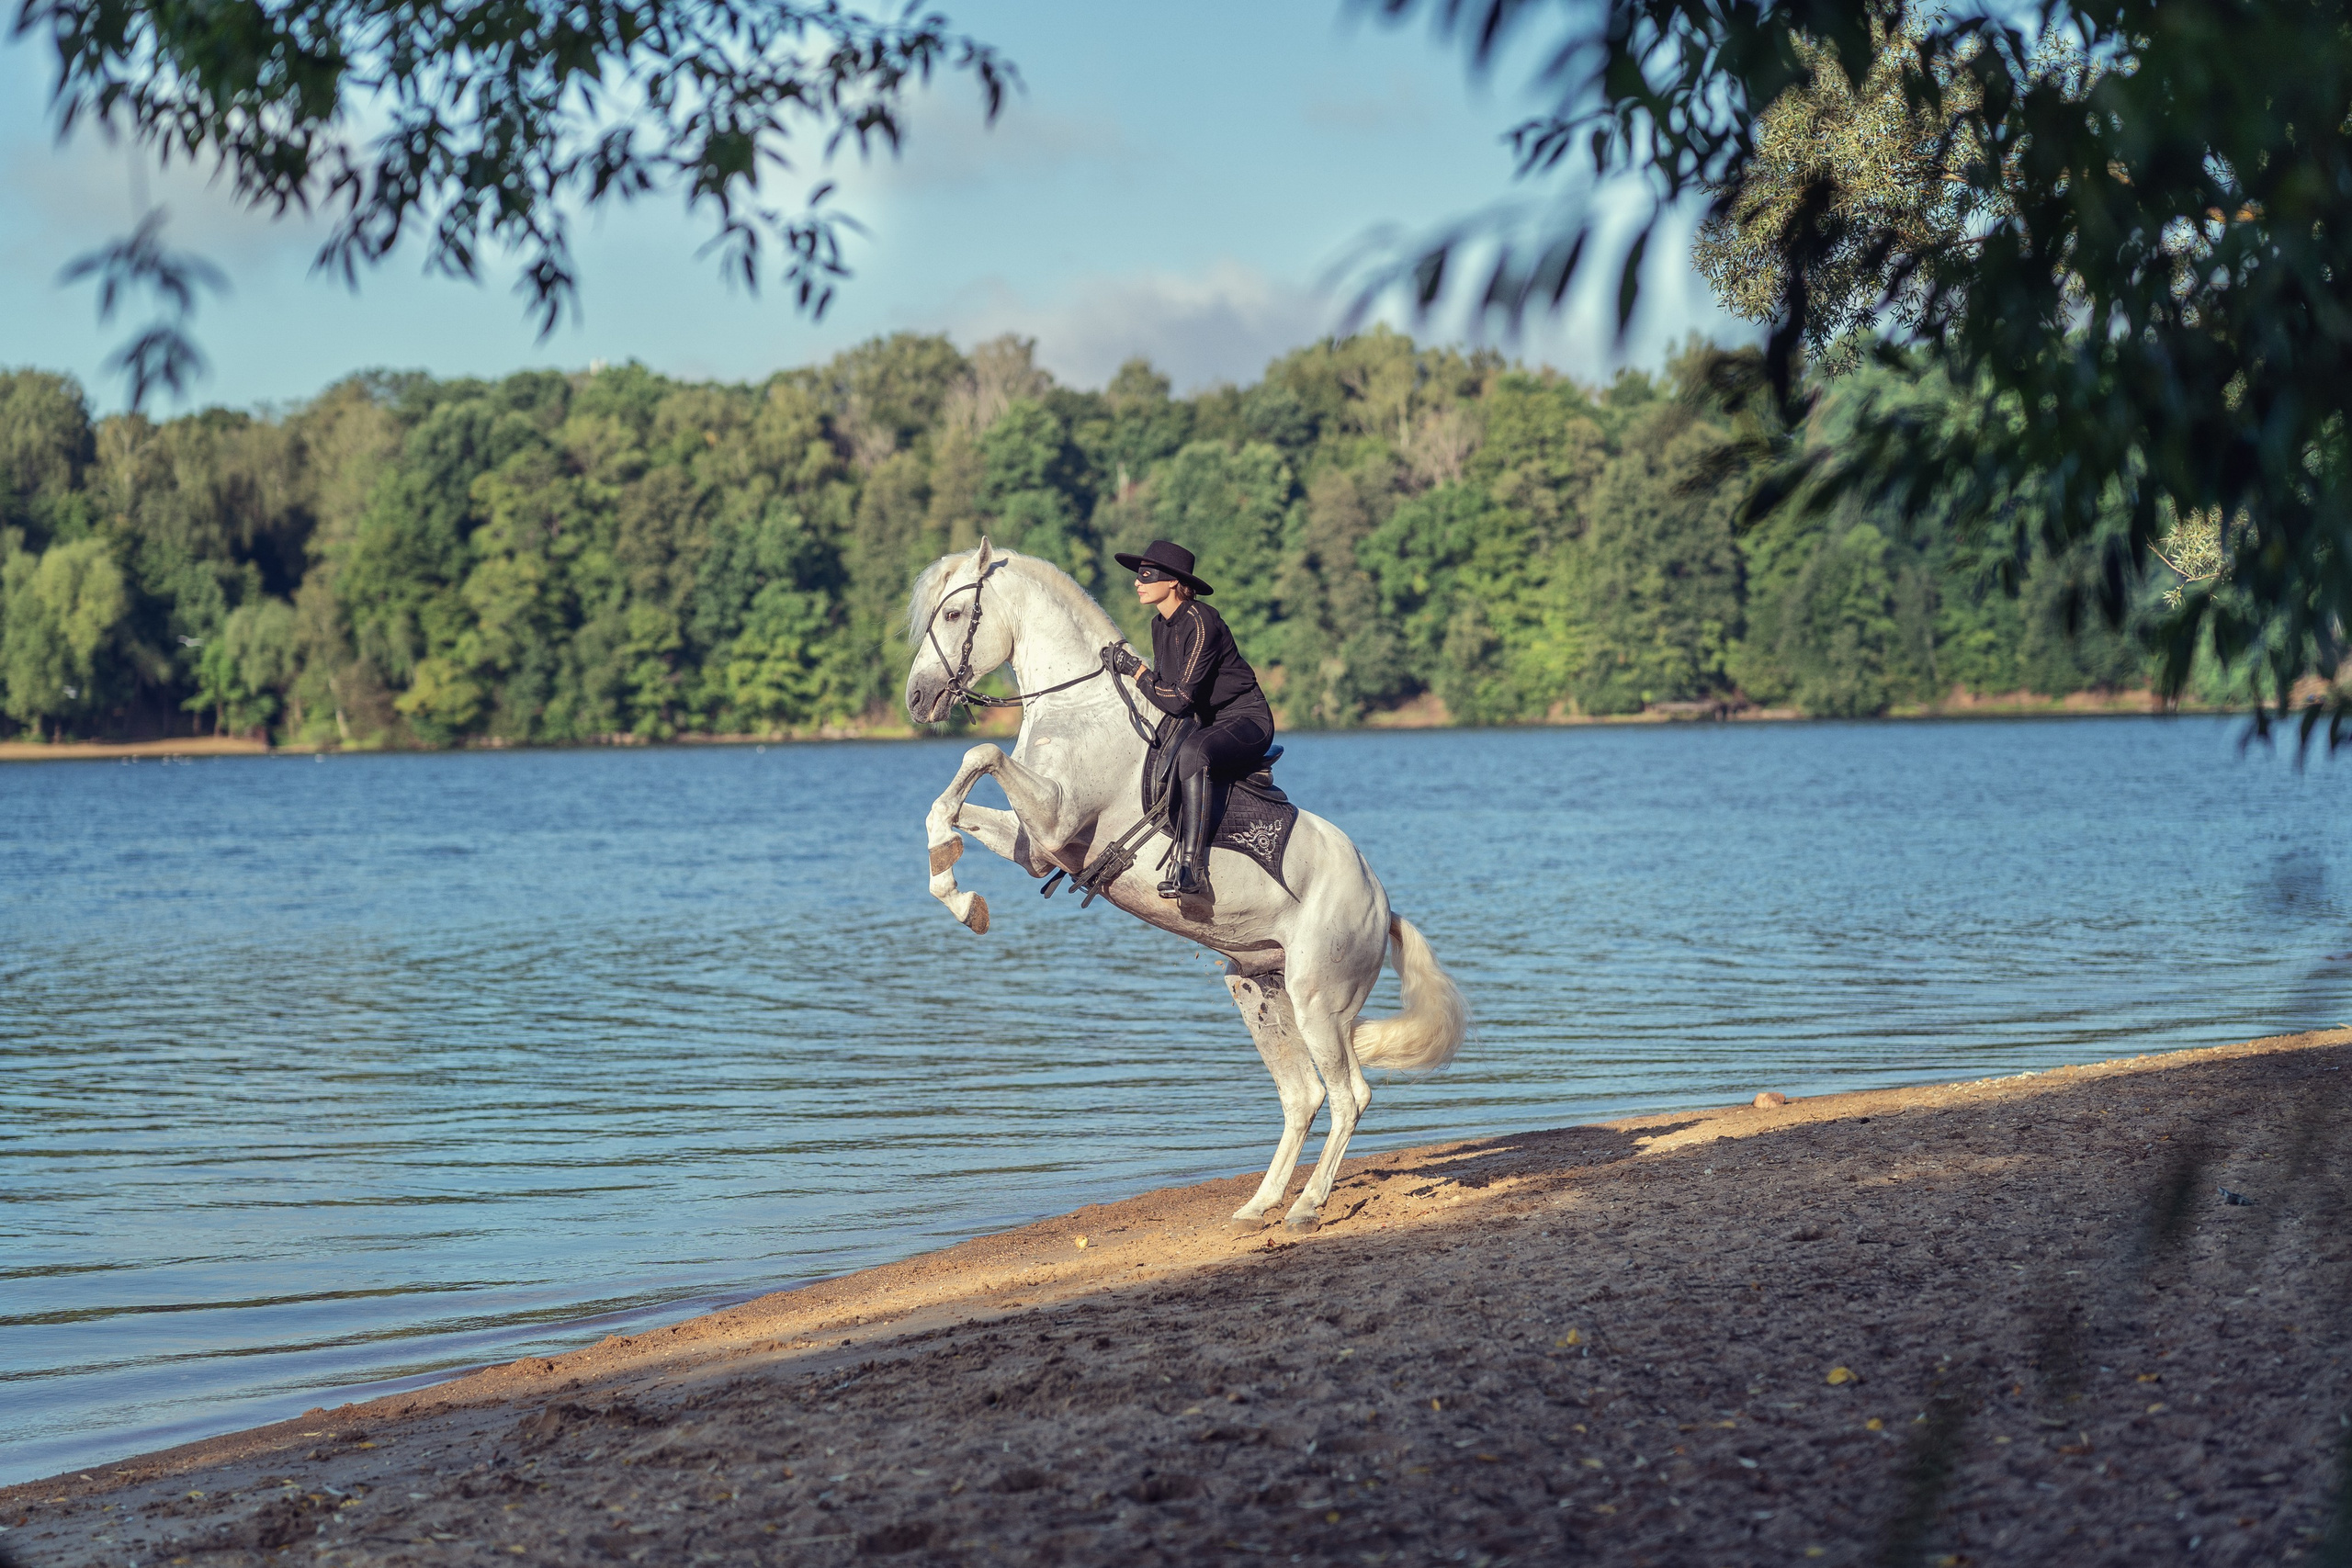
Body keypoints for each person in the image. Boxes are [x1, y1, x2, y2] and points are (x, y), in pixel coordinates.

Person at [1107, 539, 1275, 898]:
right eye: (1138, 574)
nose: (1137, 581)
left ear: (1171, 582)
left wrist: (1136, 671)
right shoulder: (1159, 624)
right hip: (1205, 721)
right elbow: (1166, 690)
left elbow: (1178, 699)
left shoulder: (1203, 621)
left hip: (1246, 719)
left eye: (1146, 575)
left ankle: (1192, 868)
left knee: (1194, 753)